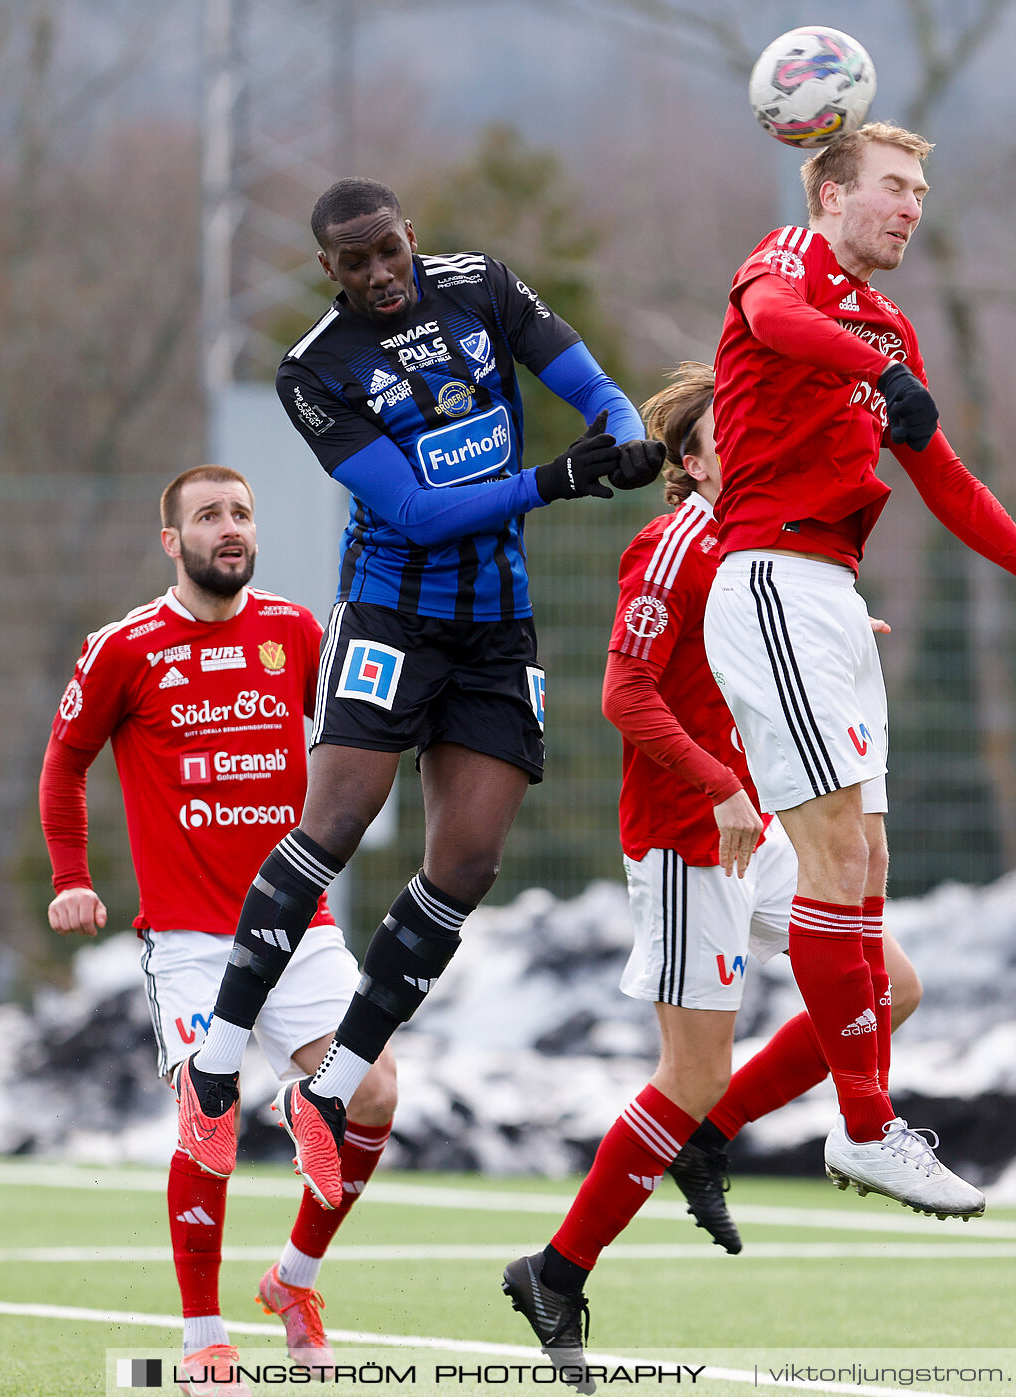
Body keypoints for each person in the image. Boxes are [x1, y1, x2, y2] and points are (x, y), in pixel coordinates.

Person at [176, 178, 666, 1214]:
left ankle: (329, 1090)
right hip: (392, 611)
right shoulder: (313, 369)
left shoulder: (481, 287)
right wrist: (561, 480)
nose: (378, 275)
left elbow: (587, 378)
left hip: (496, 628)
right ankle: (214, 1067)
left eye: (388, 252)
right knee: (339, 820)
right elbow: (416, 508)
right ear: (329, 271)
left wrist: (621, 426)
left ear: (412, 239)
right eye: (354, 264)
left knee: (469, 860)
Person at [703, 124, 1016, 1219]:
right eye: (893, 186)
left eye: (922, 191)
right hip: (771, 575)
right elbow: (776, 321)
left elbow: (947, 476)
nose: (910, 206)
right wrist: (874, 365)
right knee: (835, 856)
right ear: (832, 194)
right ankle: (868, 1123)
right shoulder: (788, 261)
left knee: (868, 861)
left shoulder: (889, 324)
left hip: (833, 591)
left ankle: (837, 1121)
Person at [502, 366, 925, 1388]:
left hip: (754, 821)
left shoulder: (767, 552)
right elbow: (623, 688)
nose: (750, 443)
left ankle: (711, 1134)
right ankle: (555, 1269)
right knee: (686, 1072)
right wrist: (719, 785)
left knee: (892, 984)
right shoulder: (674, 542)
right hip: (692, 834)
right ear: (689, 466)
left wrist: (828, 641)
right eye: (725, 435)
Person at [41, 465, 398, 1393]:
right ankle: (204, 1335)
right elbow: (65, 760)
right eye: (208, 516)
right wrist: (73, 878)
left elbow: (356, 732)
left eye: (241, 512)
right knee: (209, 1114)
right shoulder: (125, 647)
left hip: (300, 925)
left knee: (375, 1093)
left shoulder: (296, 631)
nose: (229, 528)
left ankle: (294, 1282)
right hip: (194, 943)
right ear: (173, 541)